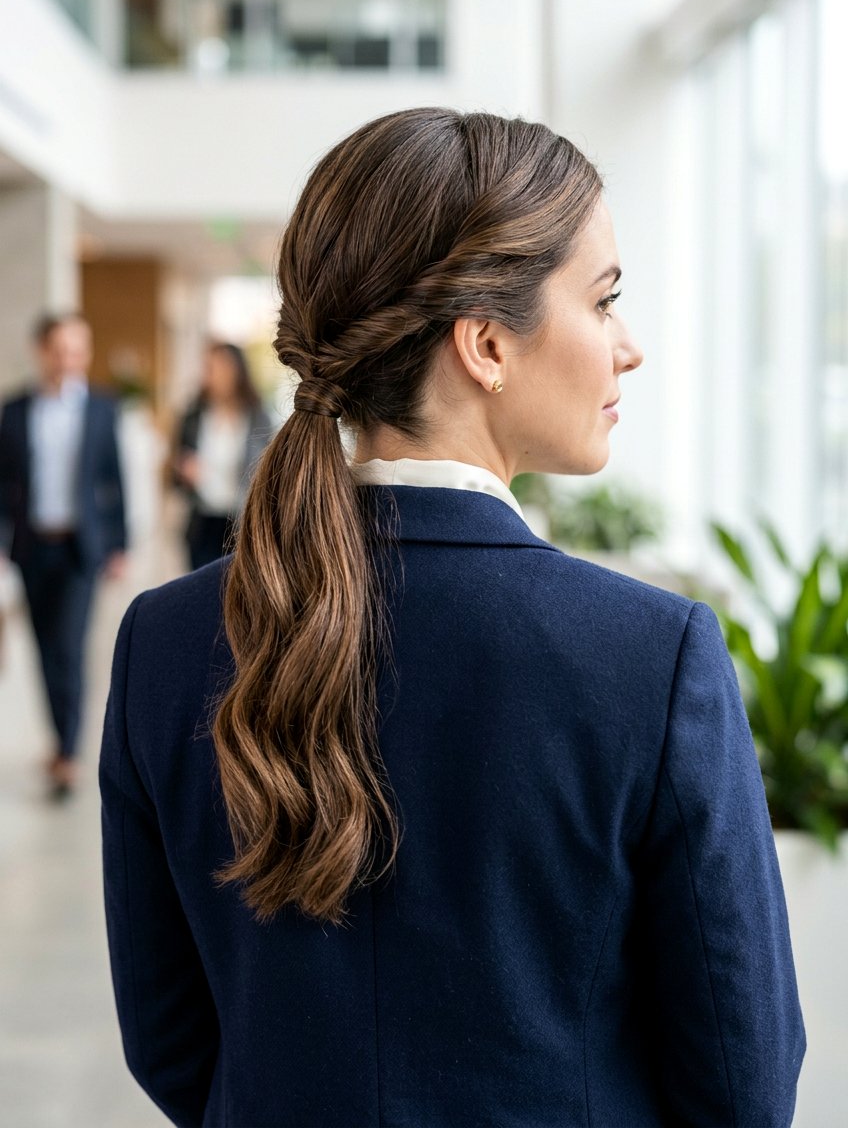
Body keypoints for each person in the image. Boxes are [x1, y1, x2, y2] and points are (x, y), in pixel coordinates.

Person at [100, 109, 805, 1127]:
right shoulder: (651, 658)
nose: (629, 347)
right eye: (603, 301)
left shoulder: (164, 641)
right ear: (482, 344)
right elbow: (740, 1082)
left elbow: (170, 1040)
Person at [0, 314, 126, 797]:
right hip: (32, 546)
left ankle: (69, 754)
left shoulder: (101, 408)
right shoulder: (15, 410)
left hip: (80, 548)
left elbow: (114, 480)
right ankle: (59, 738)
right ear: (42, 351)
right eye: (60, 349)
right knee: (43, 650)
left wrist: (119, 543)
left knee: (69, 648)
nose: (69, 360)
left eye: (78, 350)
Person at [172, 341, 273, 570]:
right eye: (207, 367)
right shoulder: (193, 416)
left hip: (241, 522)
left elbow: (270, 471)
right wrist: (184, 470)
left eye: (217, 367)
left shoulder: (258, 418)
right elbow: (174, 472)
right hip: (201, 523)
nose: (211, 374)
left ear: (236, 370)